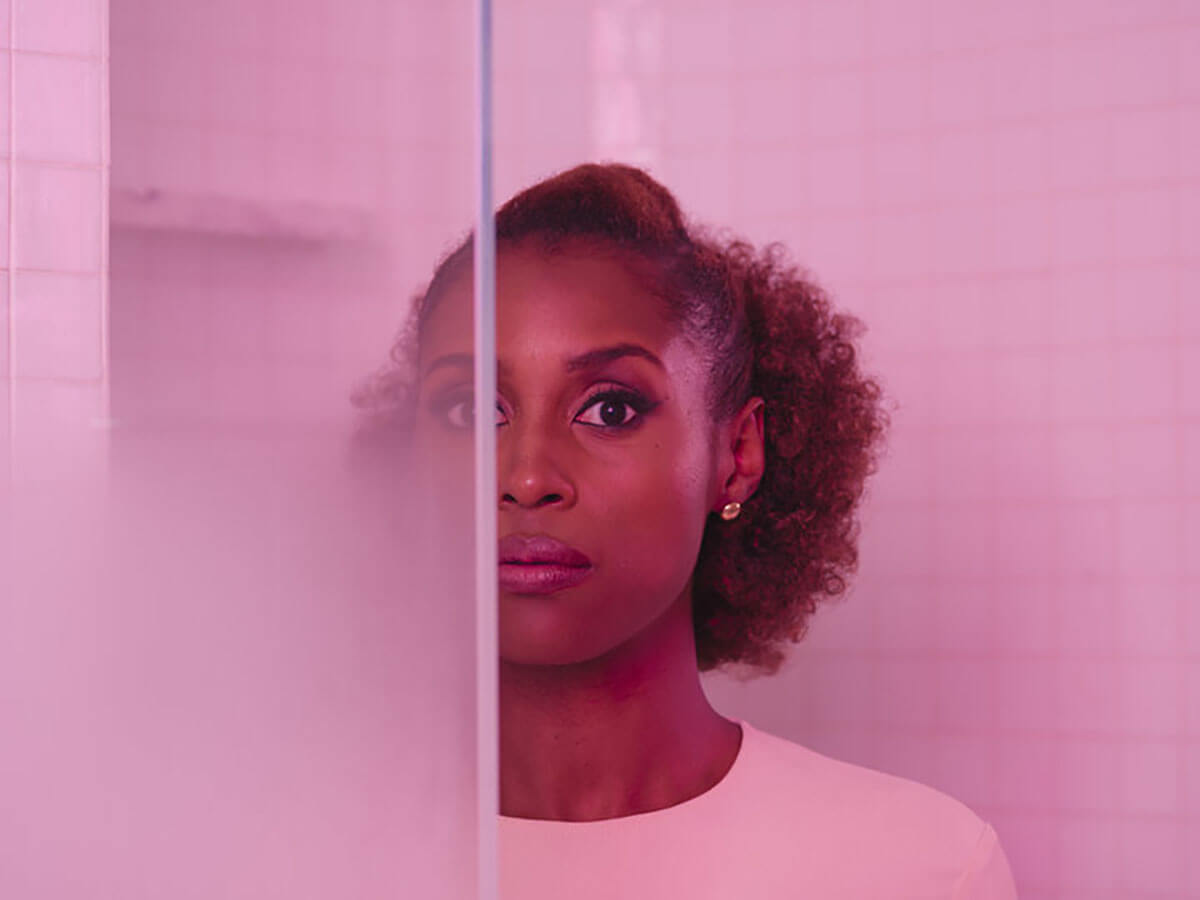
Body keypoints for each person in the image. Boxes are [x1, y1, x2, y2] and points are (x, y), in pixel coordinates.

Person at [354, 162, 1019, 898]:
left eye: (610, 409)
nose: (528, 478)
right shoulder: (289, 847)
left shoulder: (918, 867)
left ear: (736, 456)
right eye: (474, 411)